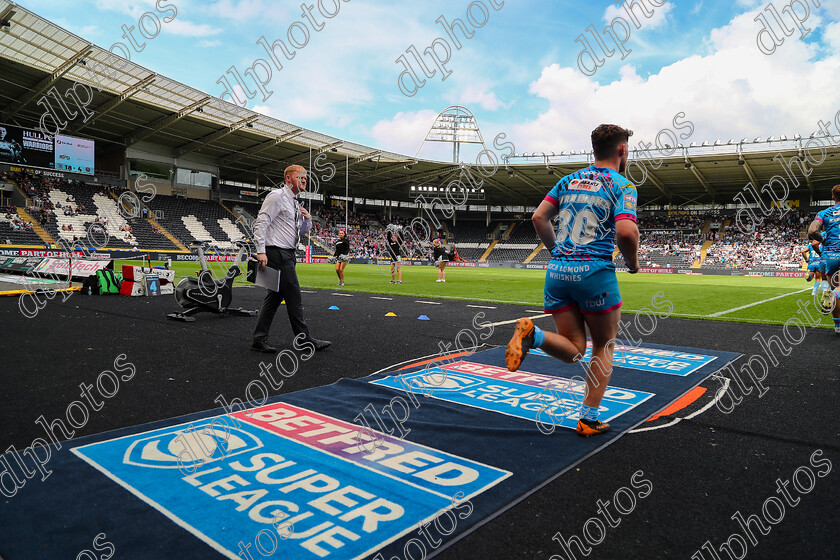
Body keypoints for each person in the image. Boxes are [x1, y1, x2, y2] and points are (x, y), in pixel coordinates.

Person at [505, 124, 640, 437]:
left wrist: (556, 252)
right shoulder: (623, 186)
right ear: (622, 150)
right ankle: (588, 419)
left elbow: (539, 217)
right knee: (603, 346)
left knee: (576, 348)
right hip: (594, 273)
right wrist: (632, 263)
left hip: (558, 272)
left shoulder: (567, 180)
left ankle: (534, 336)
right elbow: (626, 231)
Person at [251, 164, 331, 353]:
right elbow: (261, 222)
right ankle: (304, 340)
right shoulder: (277, 196)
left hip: (287, 253)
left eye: (305, 178)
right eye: (300, 177)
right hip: (277, 253)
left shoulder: (294, 203)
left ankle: (258, 340)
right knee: (294, 296)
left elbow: (299, 232)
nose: (304, 180)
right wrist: (260, 250)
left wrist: (308, 220)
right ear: (288, 178)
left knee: (274, 298)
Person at [807, 184, 840, 333]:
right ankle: (833, 294)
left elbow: (812, 231)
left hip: (830, 255)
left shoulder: (824, 213)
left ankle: (837, 325)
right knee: (836, 292)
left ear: (833, 198)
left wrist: (824, 241)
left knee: (834, 287)